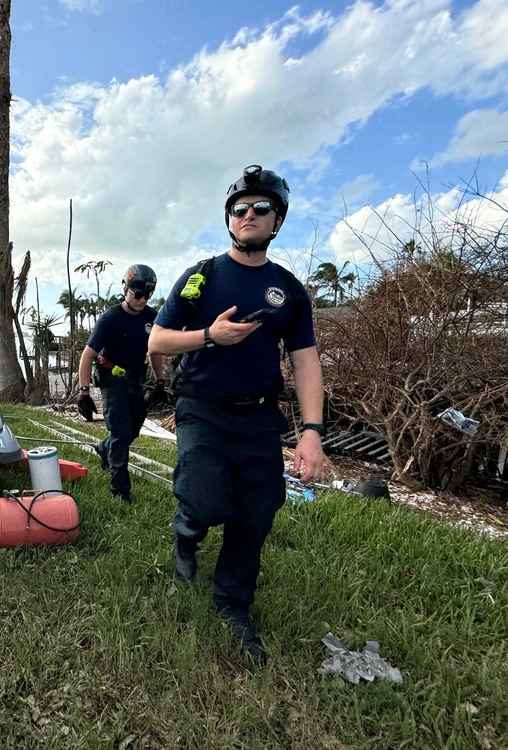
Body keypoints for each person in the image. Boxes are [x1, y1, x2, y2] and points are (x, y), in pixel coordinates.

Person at [148, 164, 326, 667]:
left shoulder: (289, 291)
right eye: (239, 208)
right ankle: (187, 537)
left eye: (260, 208)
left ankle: (232, 603)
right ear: (229, 220)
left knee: (255, 513)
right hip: (202, 409)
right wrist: (209, 336)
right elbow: (156, 340)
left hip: (260, 418)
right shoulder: (202, 277)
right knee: (205, 502)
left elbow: (305, 361)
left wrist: (311, 432)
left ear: (277, 220)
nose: (249, 214)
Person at [77, 265, 166, 503]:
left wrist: (160, 380)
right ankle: (120, 489)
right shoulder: (111, 318)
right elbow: (87, 355)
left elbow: (155, 350)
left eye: (148, 294)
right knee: (120, 431)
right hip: (111, 379)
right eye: (138, 293)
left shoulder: (151, 317)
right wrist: (83, 393)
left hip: (135, 378)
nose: (143, 299)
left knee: (134, 427)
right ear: (126, 289)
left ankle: (105, 448)